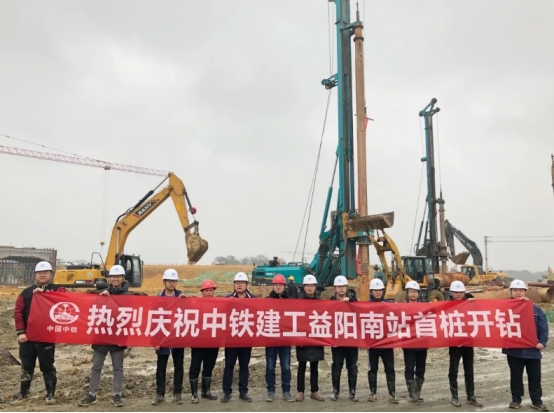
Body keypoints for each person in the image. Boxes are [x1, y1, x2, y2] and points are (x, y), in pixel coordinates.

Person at [12, 261, 66, 405]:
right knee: (26, 366)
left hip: (46, 337)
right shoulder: (25, 293)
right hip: (27, 337)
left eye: (45, 273)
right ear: (35, 275)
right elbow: (18, 313)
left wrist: (46, 294)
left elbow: (64, 300)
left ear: (51, 275)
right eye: (40, 273)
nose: (42, 275)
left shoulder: (58, 289)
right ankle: (23, 393)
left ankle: (50, 394)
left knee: (47, 366)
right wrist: (21, 332)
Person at [79, 265, 131, 407]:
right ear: (109, 278)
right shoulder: (102, 293)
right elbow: (93, 310)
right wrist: (101, 298)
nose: (115, 279)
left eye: (118, 276)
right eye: (113, 276)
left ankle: (116, 394)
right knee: (96, 366)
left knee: (118, 367)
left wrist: (111, 300)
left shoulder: (127, 296)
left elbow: (128, 315)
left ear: (123, 278)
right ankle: (92, 394)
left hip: (118, 336)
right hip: (101, 335)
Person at [502, 279, 549, 411]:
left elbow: (543, 327)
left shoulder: (535, 309)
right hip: (514, 350)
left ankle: (537, 401)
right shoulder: (505, 308)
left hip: (532, 350)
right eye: (515, 290)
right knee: (516, 377)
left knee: (535, 377)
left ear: (525, 292)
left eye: (521, 290)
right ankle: (516, 400)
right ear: (511, 292)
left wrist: (542, 341)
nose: (518, 293)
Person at [152, 269, 186, 406]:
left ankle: (177, 393)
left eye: (174, 281)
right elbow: (153, 320)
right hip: (162, 338)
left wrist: (186, 302)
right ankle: (160, 394)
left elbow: (189, 315)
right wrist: (154, 341)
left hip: (177, 337)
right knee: (161, 368)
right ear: (164, 282)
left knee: (179, 367)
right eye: (169, 281)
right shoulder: (158, 298)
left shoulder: (182, 297)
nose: (172, 283)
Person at [221, 272, 257, 403]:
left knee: (244, 366)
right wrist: (228, 304)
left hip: (246, 338)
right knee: (229, 366)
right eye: (237, 283)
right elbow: (222, 316)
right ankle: (226, 392)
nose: (239, 285)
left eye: (242, 283)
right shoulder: (228, 298)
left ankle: (243, 392)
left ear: (247, 284)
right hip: (231, 339)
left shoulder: (253, 299)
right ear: (234, 285)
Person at [447, 280, 482, 408]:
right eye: (456, 292)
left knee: (469, 370)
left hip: (468, 342)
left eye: (461, 292)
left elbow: (481, 314)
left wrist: (474, 303)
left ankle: (471, 396)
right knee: (453, 370)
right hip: (455, 343)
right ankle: (454, 396)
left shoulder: (470, 303)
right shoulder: (446, 305)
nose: (458, 294)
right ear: (451, 293)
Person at [367, 278, 398, 404]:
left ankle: (392, 394)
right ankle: (373, 393)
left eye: (380, 290)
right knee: (372, 368)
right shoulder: (366, 306)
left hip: (387, 343)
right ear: (371, 291)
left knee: (390, 368)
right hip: (373, 344)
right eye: (375, 290)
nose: (378, 292)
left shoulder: (388, 304)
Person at [264, 274, 294, 402]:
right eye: (276, 285)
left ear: (284, 286)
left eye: (280, 285)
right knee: (270, 367)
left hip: (285, 340)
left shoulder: (290, 301)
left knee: (285, 367)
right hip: (271, 339)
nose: (278, 287)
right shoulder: (267, 300)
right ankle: (270, 391)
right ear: (273, 286)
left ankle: (286, 391)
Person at [189, 279, 219, 403]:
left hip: (213, 342)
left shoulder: (218, 305)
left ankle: (206, 392)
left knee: (209, 367)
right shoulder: (195, 304)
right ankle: (194, 394)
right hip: (198, 342)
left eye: (211, 290)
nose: (209, 293)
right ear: (202, 292)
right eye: (206, 290)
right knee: (195, 366)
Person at [295, 274, 324, 402]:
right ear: (304, 287)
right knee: (301, 366)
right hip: (302, 338)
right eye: (307, 285)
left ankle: (314, 391)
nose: (310, 288)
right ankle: (300, 391)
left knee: (314, 366)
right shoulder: (298, 302)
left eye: (312, 285)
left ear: (315, 287)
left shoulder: (321, 302)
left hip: (316, 337)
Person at [329, 275, 358, 402]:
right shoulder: (330, 303)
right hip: (337, 341)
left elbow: (361, 315)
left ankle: (352, 392)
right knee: (337, 366)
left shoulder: (354, 302)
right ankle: (335, 391)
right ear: (335, 288)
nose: (341, 289)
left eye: (343, 286)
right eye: (339, 286)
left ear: (346, 288)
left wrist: (351, 303)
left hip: (351, 340)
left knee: (352, 367)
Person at [402, 280, 427, 405]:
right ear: (407, 293)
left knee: (421, 369)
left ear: (419, 293)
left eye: (415, 292)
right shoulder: (401, 307)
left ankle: (417, 393)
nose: (413, 294)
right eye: (411, 291)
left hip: (422, 343)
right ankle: (412, 395)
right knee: (409, 369)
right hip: (409, 344)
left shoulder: (425, 307)